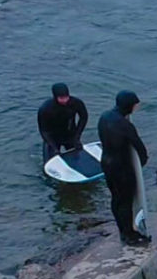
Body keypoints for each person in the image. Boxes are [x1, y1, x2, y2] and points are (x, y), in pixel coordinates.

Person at [98, 90, 150, 246]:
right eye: (135, 105)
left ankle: (122, 230)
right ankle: (129, 234)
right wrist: (141, 163)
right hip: (121, 167)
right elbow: (139, 146)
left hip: (106, 162)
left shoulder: (104, 117)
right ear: (129, 106)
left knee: (116, 198)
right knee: (126, 200)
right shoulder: (125, 125)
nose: (137, 107)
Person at [36, 82, 88, 162]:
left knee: (77, 160)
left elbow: (84, 118)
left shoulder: (76, 103)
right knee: (49, 163)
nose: (64, 100)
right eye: (61, 98)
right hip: (52, 138)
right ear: (55, 97)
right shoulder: (45, 109)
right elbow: (44, 131)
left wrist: (77, 137)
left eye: (66, 97)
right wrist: (54, 148)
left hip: (70, 135)